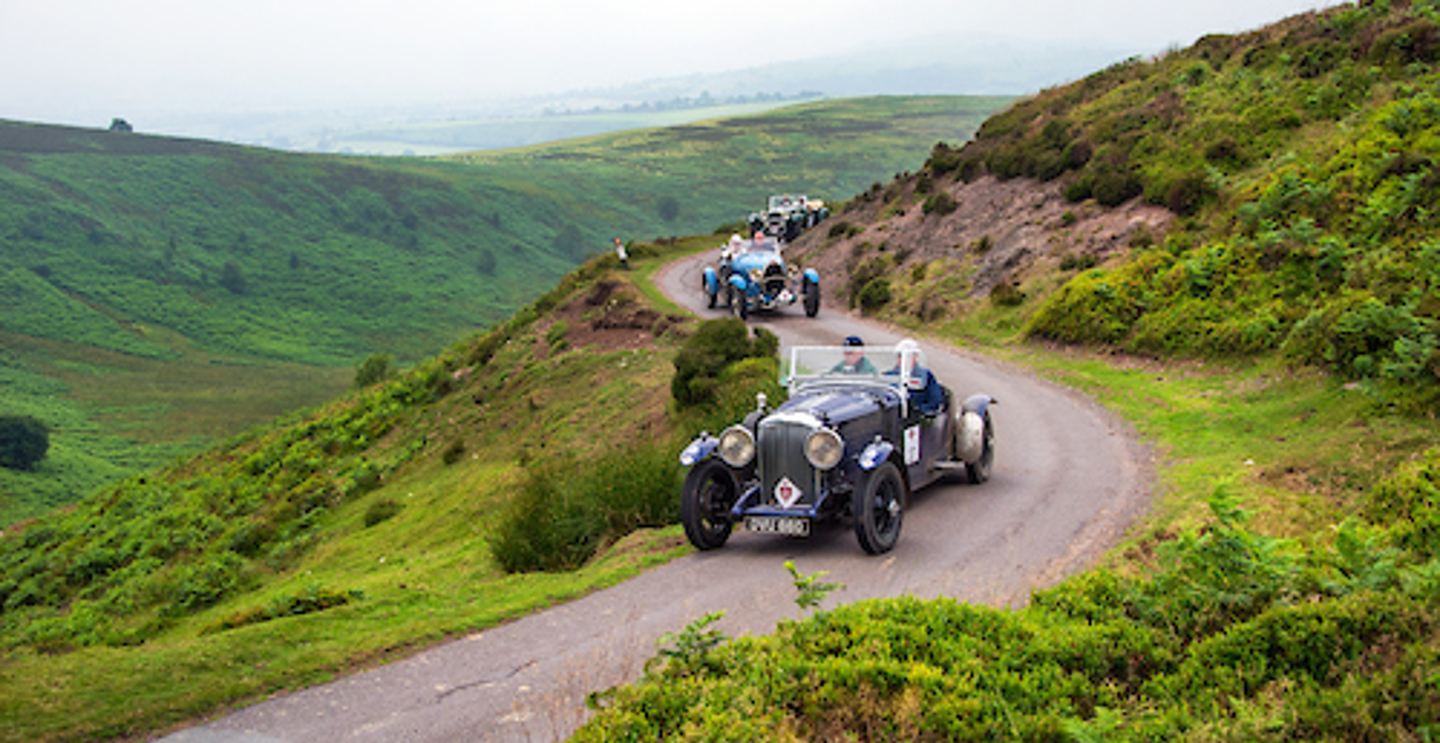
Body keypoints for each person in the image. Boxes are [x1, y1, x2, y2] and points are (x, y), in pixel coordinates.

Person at [889, 338, 943, 415]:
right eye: (900, 356)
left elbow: (935, 401)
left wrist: (917, 410)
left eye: (909, 356)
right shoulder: (888, 375)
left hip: (916, 416)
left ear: (916, 356)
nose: (903, 359)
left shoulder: (926, 375)